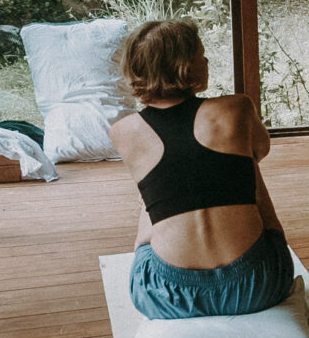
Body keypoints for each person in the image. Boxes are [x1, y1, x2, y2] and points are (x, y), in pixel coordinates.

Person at [107, 19, 294, 320]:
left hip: (167, 296)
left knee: (149, 197)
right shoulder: (237, 107)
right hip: (257, 286)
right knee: (245, 165)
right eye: (200, 54)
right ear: (183, 65)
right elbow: (260, 152)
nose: (206, 60)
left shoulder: (124, 131)